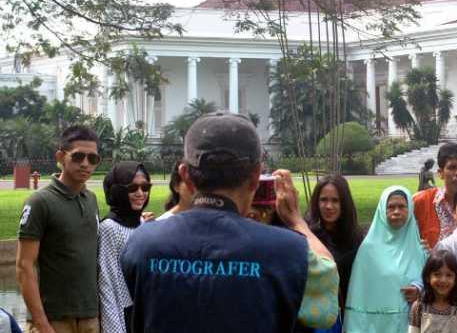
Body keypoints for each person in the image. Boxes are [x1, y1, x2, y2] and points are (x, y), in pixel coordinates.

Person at [120, 112, 339, 332]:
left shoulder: (142, 243)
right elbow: (325, 307)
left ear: (185, 175)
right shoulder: (289, 252)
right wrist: (297, 221)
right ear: (255, 177)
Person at [16, 125, 101, 333]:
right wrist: (42, 325)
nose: (85, 164)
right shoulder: (40, 202)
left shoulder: (91, 199)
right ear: (61, 156)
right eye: (78, 156)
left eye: (93, 159)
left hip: (89, 318)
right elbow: (24, 267)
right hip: (53, 320)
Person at [345, 185, 427, 333]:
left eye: (402, 206)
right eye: (391, 207)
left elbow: (432, 282)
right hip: (373, 326)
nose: (396, 212)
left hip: (411, 323)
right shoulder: (368, 249)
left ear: (410, 210)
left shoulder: (421, 249)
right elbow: (358, 296)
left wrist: (418, 289)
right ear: (383, 210)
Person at [98, 161, 153, 333]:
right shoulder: (109, 228)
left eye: (145, 187)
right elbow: (107, 282)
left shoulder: (143, 222)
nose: (140, 193)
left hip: (145, 310)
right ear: (118, 190)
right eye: (132, 188)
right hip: (124, 313)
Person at [306, 175, 364, 331]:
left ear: (344, 203)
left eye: (335, 200)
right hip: (311, 318)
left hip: (346, 316)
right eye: (323, 200)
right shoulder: (306, 235)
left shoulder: (357, 239)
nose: (328, 206)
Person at [408, 250, 457, 333]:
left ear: (455, 279)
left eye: (449, 275)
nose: (443, 280)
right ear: (427, 277)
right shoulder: (418, 307)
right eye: (437, 274)